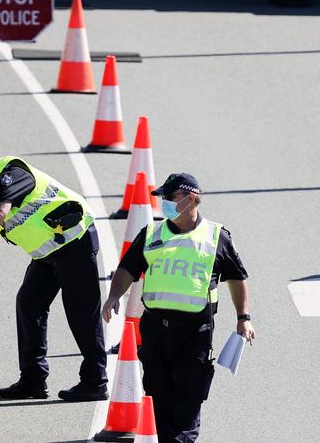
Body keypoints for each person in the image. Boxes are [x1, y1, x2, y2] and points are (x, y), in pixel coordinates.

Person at [102, 173, 255, 442]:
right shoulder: (152, 233)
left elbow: (238, 277)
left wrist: (244, 317)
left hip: (195, 332)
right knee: (158, 396)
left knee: (188, 398)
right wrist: (114, 295)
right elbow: (128, 268)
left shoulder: (216, 237)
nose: (164, 203)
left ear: (191, 198)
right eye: (163, 198)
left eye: (170, 197)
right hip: (155, 330)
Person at [0, 148, 108, 402]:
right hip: (45, 254)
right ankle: (33, 380)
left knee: (81, 312)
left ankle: (95, 382)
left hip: (75, 241)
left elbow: (0, 213)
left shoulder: (10, 172)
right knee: (28, 306)